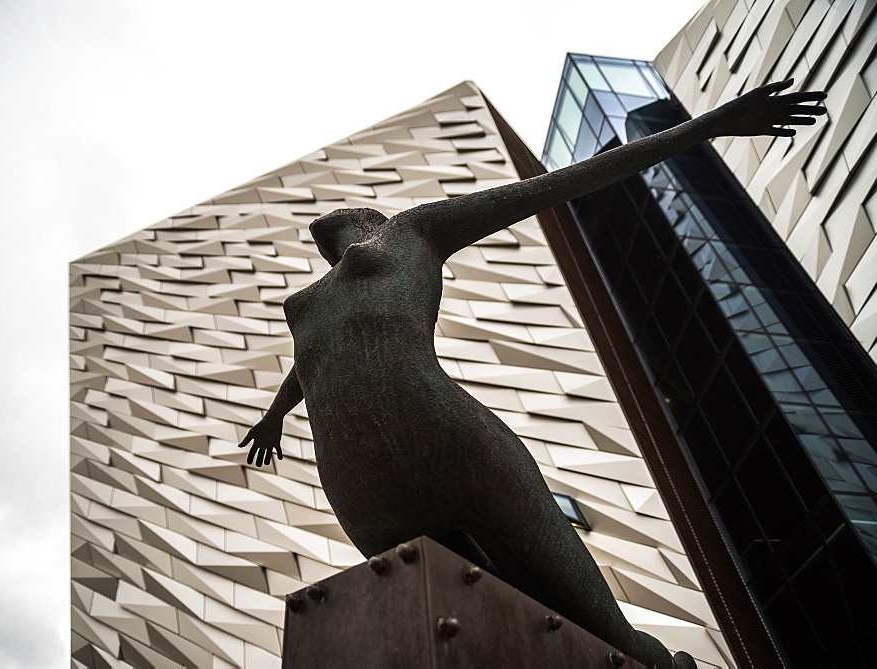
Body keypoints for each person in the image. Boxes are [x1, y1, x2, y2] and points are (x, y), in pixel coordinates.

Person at [239, 80, 825, 668]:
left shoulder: (412, 232)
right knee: (450, 624)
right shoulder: (313, 299)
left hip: (443, 436)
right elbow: (311, 361)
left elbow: (554, 186)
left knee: (591, 624)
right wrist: (274, 417)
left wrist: (708, 126)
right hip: (354, 477)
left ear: (371, 218)